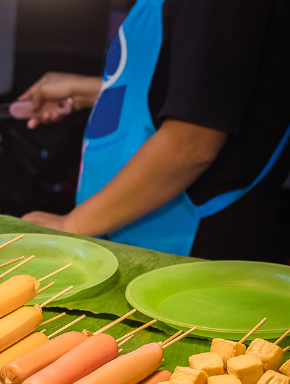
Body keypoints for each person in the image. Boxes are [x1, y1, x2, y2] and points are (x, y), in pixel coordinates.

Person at [19, 0, 290, 262]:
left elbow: (192, 143)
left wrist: (73, 224)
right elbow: (201, 87)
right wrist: (91, 91)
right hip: (134, 231)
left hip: (202, 246)